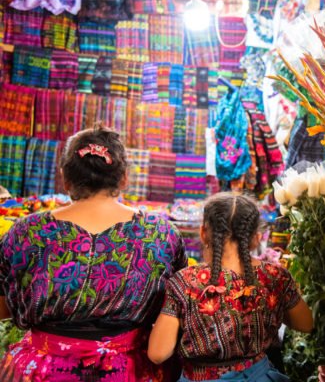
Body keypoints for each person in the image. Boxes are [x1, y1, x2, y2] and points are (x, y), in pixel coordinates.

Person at [0, 126, 187, 381]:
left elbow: (3, 307)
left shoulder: (25, 232)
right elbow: (174, 308)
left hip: (43, 372)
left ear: (65, 177)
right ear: (123, 179)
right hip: (130, 371)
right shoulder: (161, 233)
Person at [148, 192, 313, 381]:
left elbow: (157, 353)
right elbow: (306, 323)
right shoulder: (275, 277)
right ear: (256, 238)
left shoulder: (185, 282)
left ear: (203, 233)